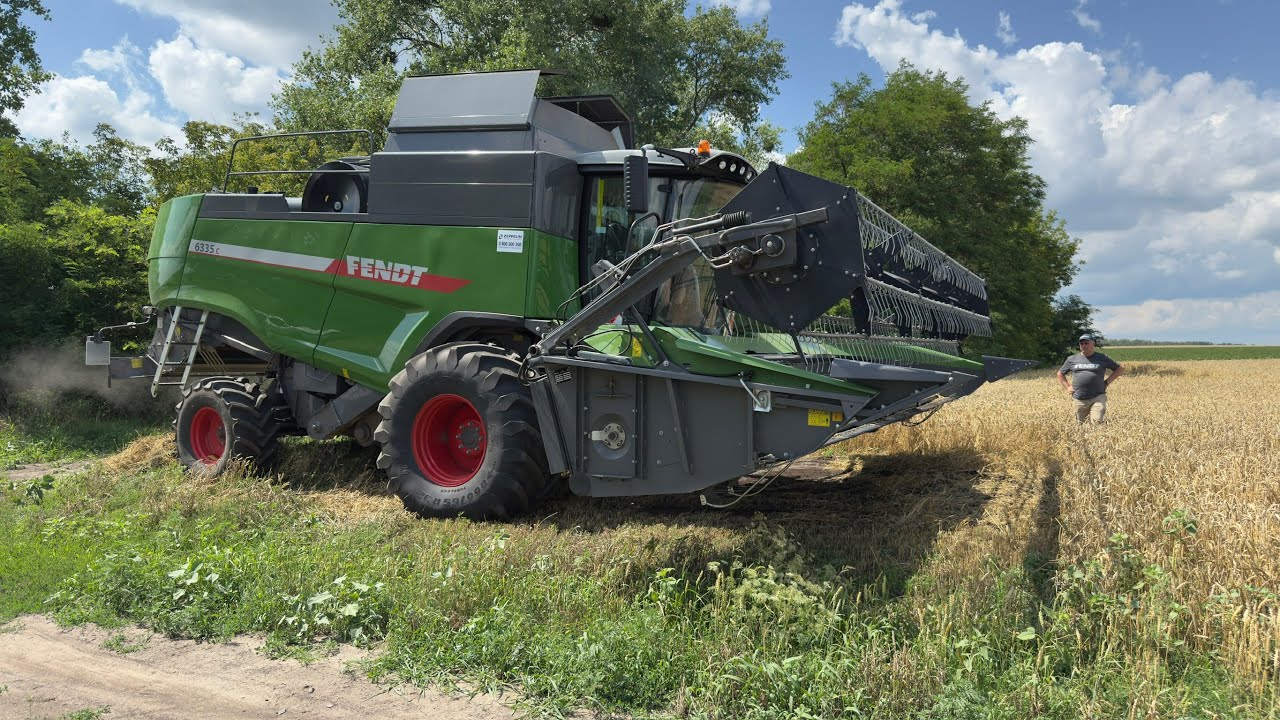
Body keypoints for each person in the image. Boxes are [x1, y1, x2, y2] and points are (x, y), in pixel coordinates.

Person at [1057, 334, 1124, 424]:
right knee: (1079, 424)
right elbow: (1060, 373)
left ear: (1093, 344)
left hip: (1098, 396)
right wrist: (1068, 387)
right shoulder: (1072, 359)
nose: (1084, 345)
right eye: (1081, 344)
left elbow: (1120, 369)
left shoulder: (1102, 358)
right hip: (1079, 398)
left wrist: (1107, 382)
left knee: (1097, 422)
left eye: (1086, 343)